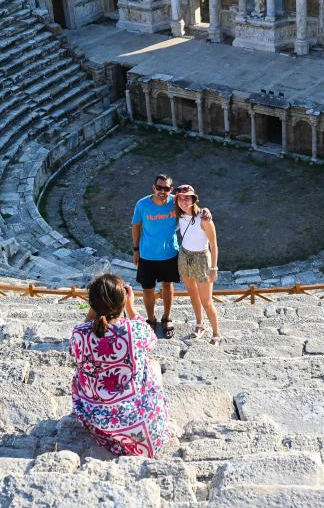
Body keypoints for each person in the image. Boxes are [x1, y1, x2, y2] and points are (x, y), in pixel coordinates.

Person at [70, 274, 170, 458]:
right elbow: (152, 341)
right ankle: (154, 411)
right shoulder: (135, 329)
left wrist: (94, 310)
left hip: (97, 420)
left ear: (92, 303)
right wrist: (130, 307)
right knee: (153, 364)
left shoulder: (79, 333)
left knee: (79, 372)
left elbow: (75, 350)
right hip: (139, 423)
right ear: (122, 301)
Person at [131, 173, 181, 338]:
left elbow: (193, 207)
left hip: (169, 253)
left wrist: (206, 211)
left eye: (166, 188)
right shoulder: (142, 204)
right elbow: (136, 227)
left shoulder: (176, 202)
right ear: (154, 187)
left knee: (168, 285)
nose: (162, 191)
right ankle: (151, 318)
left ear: (171, 189)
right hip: (147, 254)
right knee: (147, 289)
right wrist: (135, 249)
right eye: (159, 187)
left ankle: (166, 317)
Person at [175, 185, 222, 345]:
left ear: (194, 199)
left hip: (202, 259)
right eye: (180, 198)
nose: (183, 201)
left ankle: (216, 333)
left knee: (207, 301)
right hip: (185, 255)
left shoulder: (204, 218)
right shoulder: (179, 214)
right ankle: (200, 324)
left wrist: (214, 268)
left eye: (187, 197)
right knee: (192, 293)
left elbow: (214, 245)